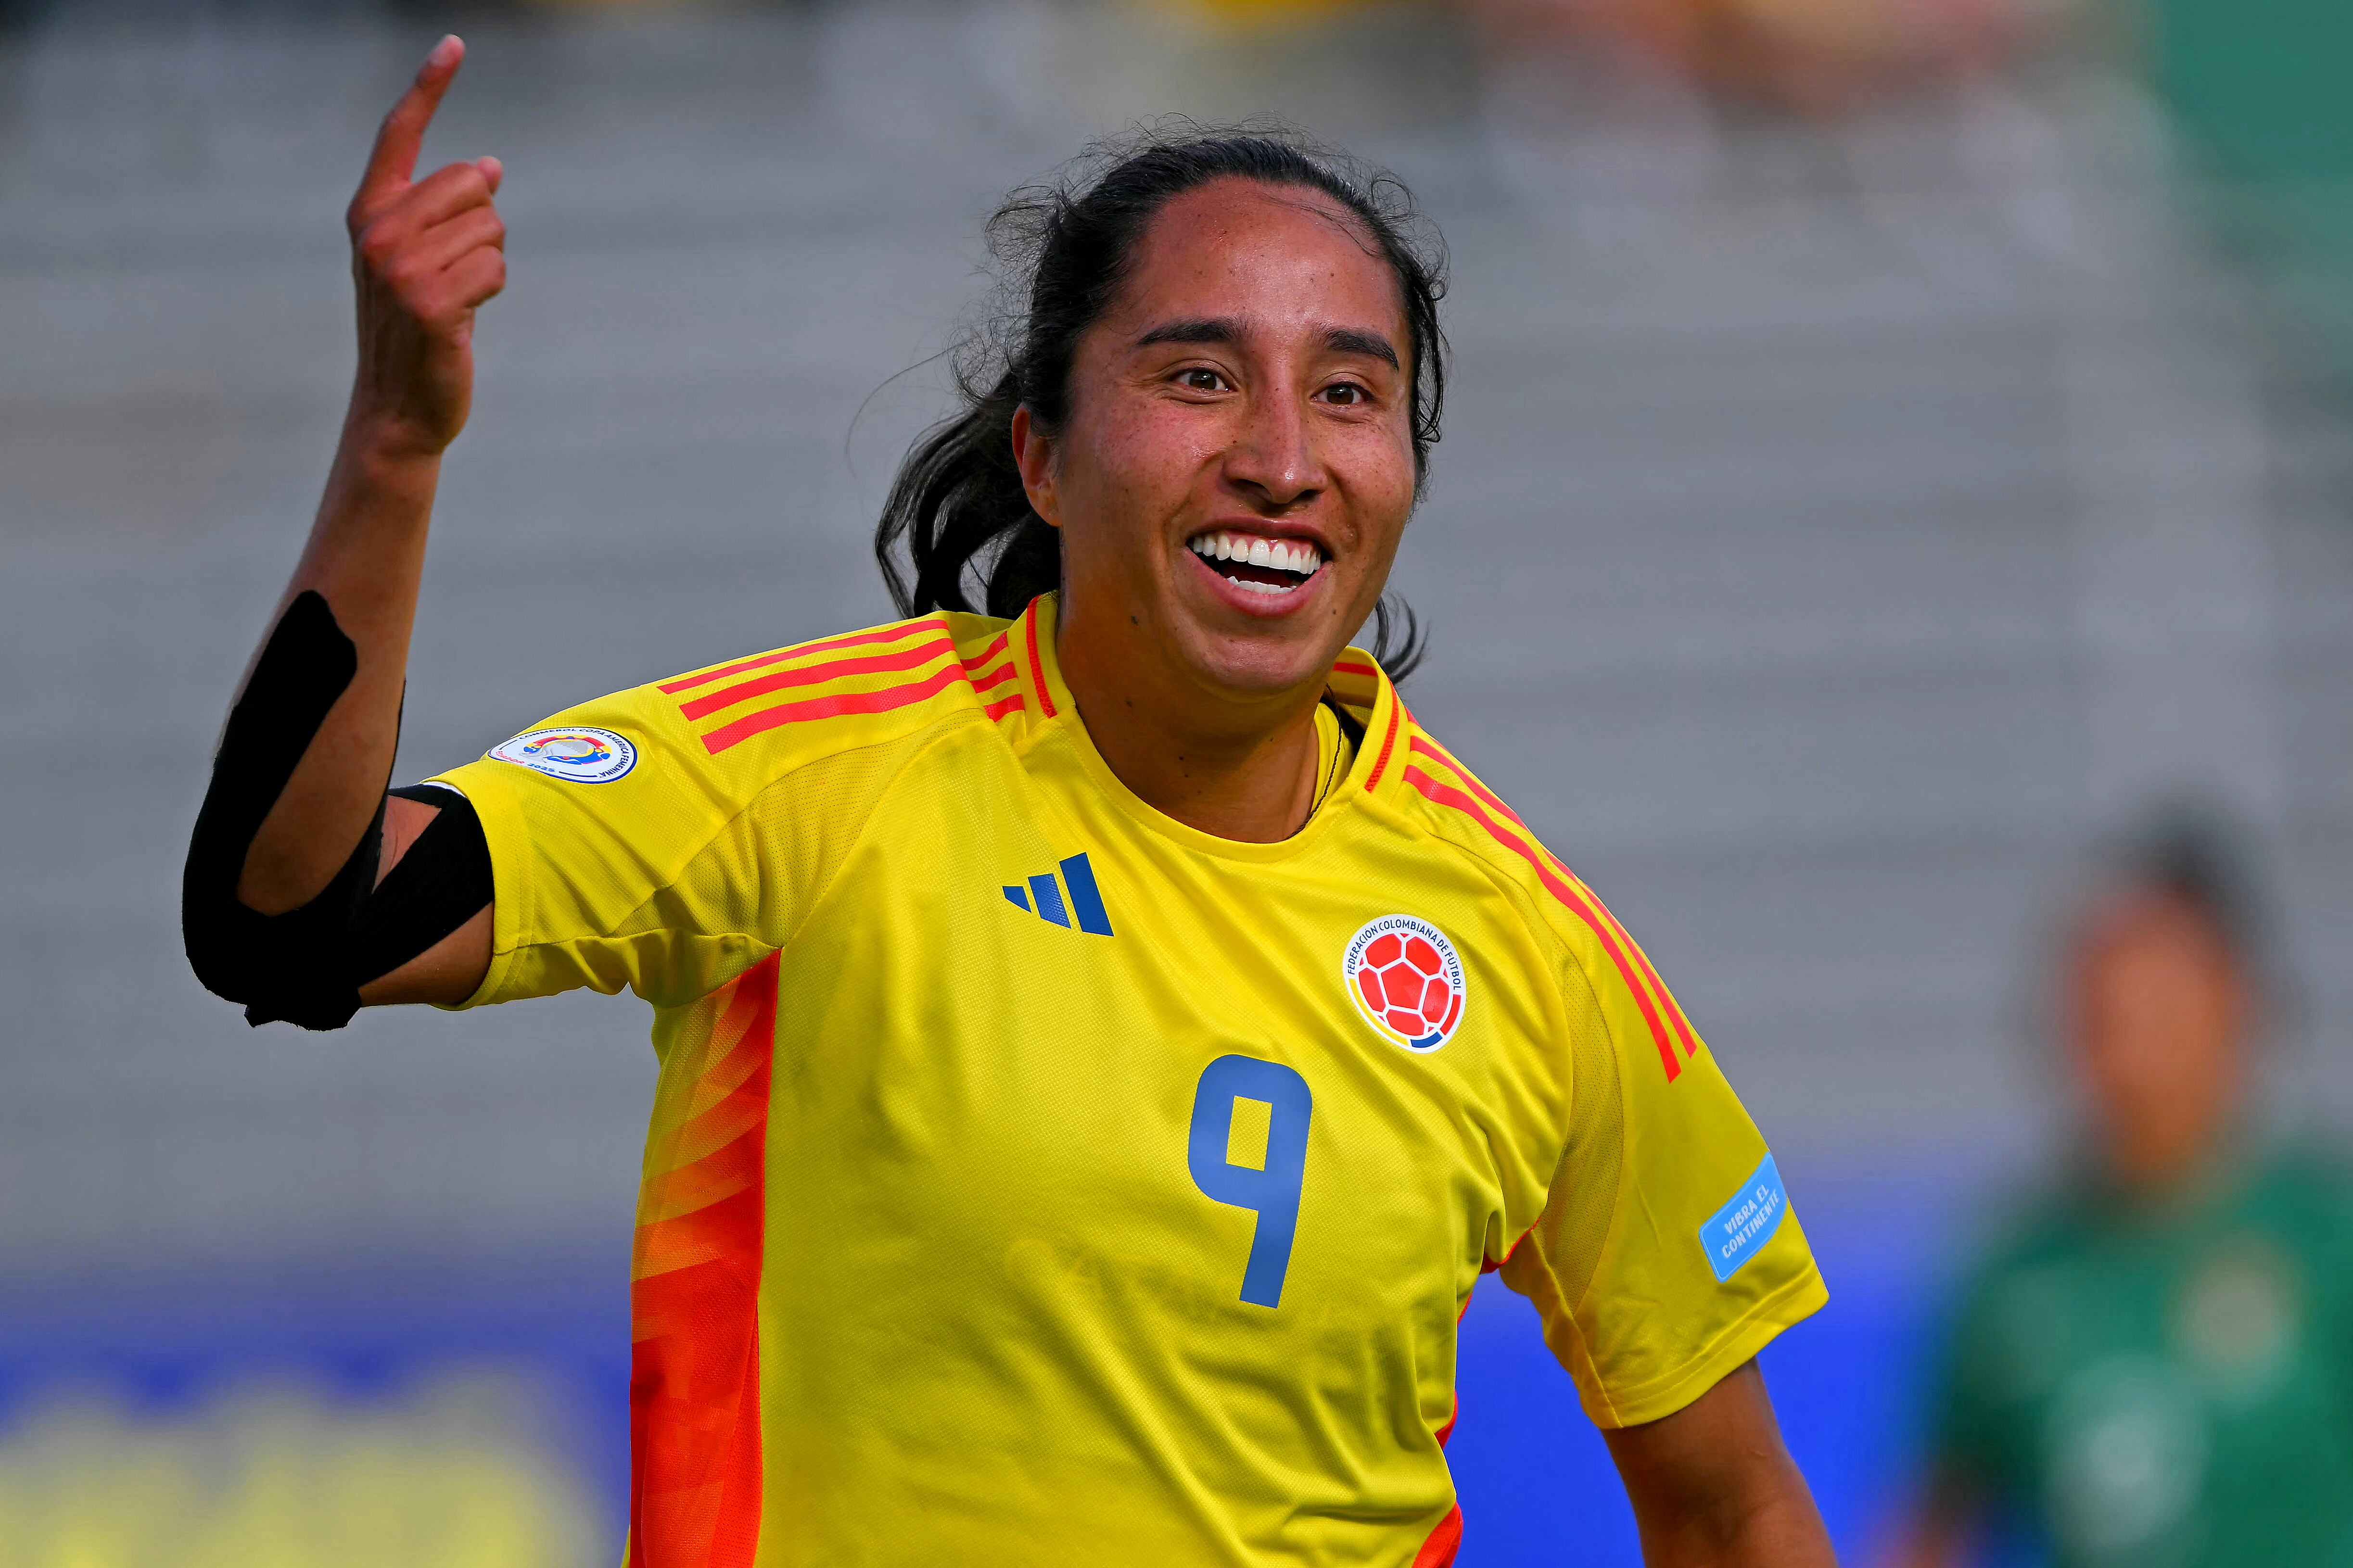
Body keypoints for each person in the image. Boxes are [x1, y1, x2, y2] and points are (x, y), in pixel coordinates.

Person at [182, 36, 1832, 1567]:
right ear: (1043, 456)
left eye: (1347, 392)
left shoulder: (1528, 955)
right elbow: (290, 920)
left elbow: (1739, 1503)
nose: (1281, 456)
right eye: (1198, 378)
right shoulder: (813, 776)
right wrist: (397, 447)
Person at [1893, 817, 2353, 1568]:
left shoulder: (2328, 1238)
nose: (2131, 1051)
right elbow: (1931, 1521)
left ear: (2237, 1007)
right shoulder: (2016, 1277)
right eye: (2105, 1014)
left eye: (2161, 1009)